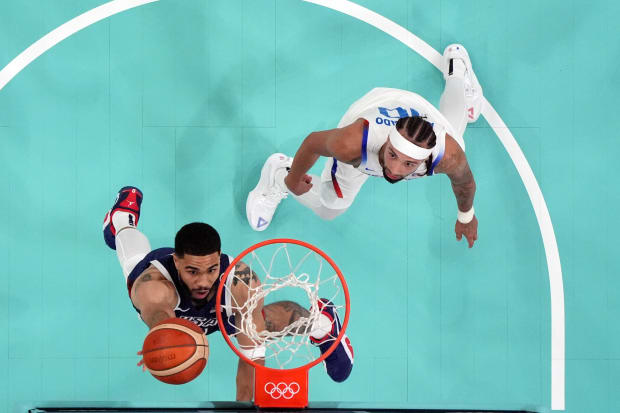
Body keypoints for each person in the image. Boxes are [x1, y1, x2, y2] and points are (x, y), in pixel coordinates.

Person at [102, 186, 354, 400]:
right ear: (176, 263)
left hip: (222, 309)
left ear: (220, 260)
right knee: (132, 257)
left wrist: (243, 408)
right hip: (169, 301)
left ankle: (321, 322)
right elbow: (159, 316)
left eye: (211, 269)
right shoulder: (153, 287)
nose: (203, 281)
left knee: (262, 325)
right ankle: (121, 220)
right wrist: (162, 338)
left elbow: (251, 362)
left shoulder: (241, 285)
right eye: (192, 271)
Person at [246, 44, 482, 248]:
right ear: (387, 140)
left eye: (409, 163)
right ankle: (278, 173)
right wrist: (293, 179)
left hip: (422, 116)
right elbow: (312, 143)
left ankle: (457, 69)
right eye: (393, 155)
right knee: (331, 207)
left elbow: (465, 184)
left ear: (425, 160)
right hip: (374, 109)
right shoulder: (351, 144)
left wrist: (465, 215)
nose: (395, 170)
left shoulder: (447, 156)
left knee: (456, 134)